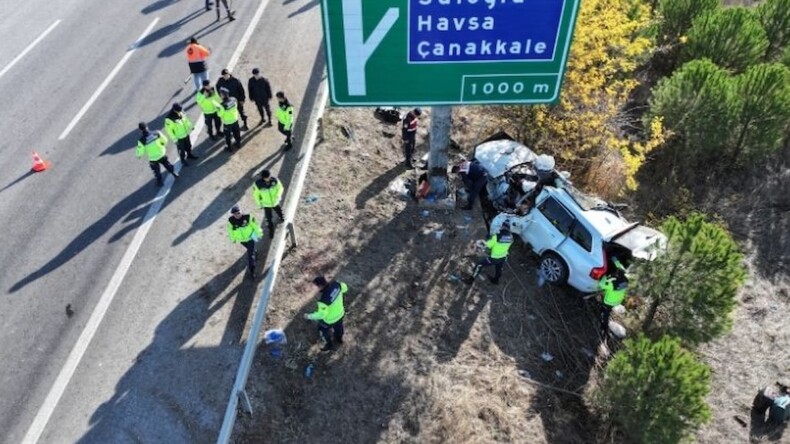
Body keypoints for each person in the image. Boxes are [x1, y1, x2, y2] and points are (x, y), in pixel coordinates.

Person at [304, 276, 347, 352]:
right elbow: (345, 288)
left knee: (322, 329)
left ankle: (329, 344)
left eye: (316, 286)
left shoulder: (323, 301)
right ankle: (339, 338)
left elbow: (321, 315)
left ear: (320, 286)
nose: (316, 289)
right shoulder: (337, 285)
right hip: (340, 314)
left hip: (330, 320)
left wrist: (309, 316)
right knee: (339, 327)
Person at [472, 220, 514, 285]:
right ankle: (495, 280)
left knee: (479, 265)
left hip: (494, 258)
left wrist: (483, 241)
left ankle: (470, 280)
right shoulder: (511, 238)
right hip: (503, 257)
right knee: (498, 269)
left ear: (502, 226)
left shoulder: (497, 236)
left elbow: (488, 245)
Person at [226, 205, 263, 278]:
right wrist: (233, 239)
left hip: (250, 238)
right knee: (250, 250)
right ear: (233, 215)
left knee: (250, 255)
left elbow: (255, 225)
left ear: (241, 211)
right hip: (242, 240)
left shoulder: (248, 217)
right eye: (235, 214)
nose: (237, 215)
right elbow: (230, 231)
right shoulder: (231, 221)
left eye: (238, 213)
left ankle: (252, 271)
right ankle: (255, 252)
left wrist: (259, 233)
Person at [598, 258, 628, 336]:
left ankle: (603, 327)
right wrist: (615, 260)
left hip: (609, 301)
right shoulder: (626, 281)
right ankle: (603, 310)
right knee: (607, 309)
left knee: (605, 313)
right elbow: (621, 268)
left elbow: (601, 285)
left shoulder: (612, 283)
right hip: (617, 301)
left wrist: (605, 276)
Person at [252, 170, 285, 236]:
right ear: (263, 178)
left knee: (279, 210)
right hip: (266, 204)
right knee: (268, 219)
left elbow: (280, 188)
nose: (269, 178)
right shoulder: (257, 185)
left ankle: (282, 218)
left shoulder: (275, 180)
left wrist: (278, 195)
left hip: (275, 202)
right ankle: (271, 231)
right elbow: (256, 195)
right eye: (267, 177)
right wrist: (259, 204)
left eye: (269, 177)